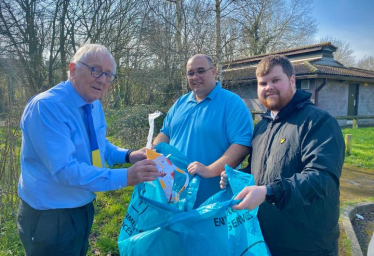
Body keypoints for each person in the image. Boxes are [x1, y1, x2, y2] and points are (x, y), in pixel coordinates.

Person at [17, 44, 161, 256]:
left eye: (109, 75)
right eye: (96, 70)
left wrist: (129, 155)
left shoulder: (93, 104)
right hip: (50, 217)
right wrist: (126, 176)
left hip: (82, 208)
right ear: (73, 69)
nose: (102, 80)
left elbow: (98, 147)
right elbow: (65, 170)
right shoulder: (48, 107)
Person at [220, 55, 345, 255]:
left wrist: (270, 191)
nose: (268, 87)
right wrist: (237, 177)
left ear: (292, 80)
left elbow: (323, 179)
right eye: (262, 83)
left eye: (275, 80)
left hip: (307, 245)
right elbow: (258, 172)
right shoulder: (261, 127)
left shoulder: (318, 122)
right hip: (266, 240)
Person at [153, 54, 253, 207]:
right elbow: (165, 133)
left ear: (213, 72)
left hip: (212, 203)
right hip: (174, 196)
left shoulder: (232, 103)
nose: (195, 77)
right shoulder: (180, 103)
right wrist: (153, 153)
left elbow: (241, 145)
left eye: (201, 71)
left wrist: (210, 170)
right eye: (191, 73)